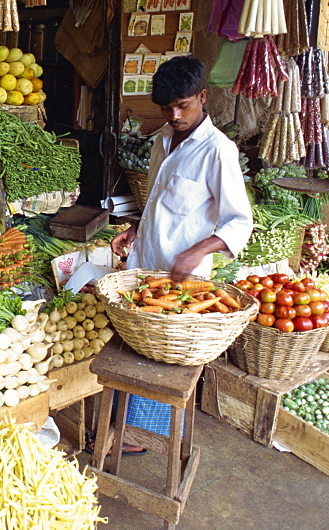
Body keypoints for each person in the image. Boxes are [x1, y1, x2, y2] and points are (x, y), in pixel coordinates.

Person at [108, 55, 253, 452]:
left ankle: (143, 436)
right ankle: (123, 425)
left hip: (182, 282)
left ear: (203, 97)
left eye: (183, 105)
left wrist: (198, 251)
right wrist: (135, 228)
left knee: (167, 359)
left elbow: (239, 222)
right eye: (167, 108)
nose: (175, 115)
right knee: (136, 348)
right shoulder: (163, 140)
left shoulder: (218, 151)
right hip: (145, 265)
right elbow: (156, 199)